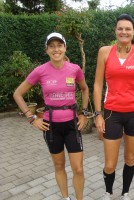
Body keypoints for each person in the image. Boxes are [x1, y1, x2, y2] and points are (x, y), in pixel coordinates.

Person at [13, 32, 89, 200]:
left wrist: (84, 113)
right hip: (51, 127)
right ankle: (65, 197)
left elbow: (85, 89)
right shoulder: (40, 71)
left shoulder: (74, 69)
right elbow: (18, 94)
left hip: (72, 125)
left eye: (59, 45)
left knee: (78, 169)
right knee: (59, 165)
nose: (56, 49)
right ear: (46, 50)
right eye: (52, 46)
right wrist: (31, 118)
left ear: (65, 48)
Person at [93, 13, 134, 200]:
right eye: (120, 28)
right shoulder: (104, 52)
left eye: (128, 28)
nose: (124, 31)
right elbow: (97, 84)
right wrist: (98, 114)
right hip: (112, 113)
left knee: (130, 158)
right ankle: (108, 192)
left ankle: (125, 192)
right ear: (115, 30)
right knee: (110, 164)